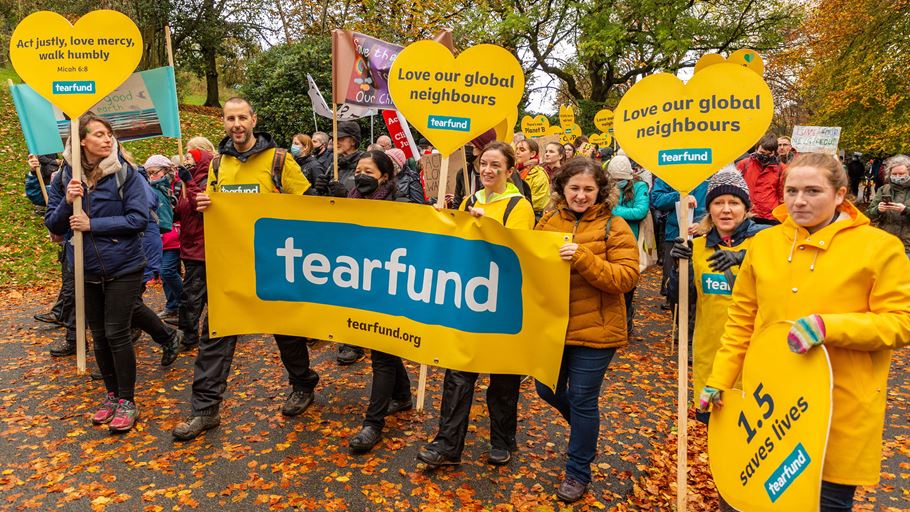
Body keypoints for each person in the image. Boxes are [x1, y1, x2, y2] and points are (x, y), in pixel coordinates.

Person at [700, 153, 910, 511]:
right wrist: (719, 379)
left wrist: (829, 327)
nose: (799, 201)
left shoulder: (879, 248)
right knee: (744, 501)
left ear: (840, 194)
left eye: (813, 190)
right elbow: (741, 320)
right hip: (767, 409)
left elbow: (900, 322)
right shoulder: (764, 244)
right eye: (791, 190)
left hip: (839, 411)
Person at [172, 97, 320, 441]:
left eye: (242, 117)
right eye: (229, 118)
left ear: (253, 119)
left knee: (286, 332)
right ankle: (205, 411)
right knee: (216, 335)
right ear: (224, 123)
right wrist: (205, 204)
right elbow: (212, 206)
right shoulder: (217, 166)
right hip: (232, 266)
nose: (236, 124)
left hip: (274, 264)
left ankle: (302, 384)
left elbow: (309, 206)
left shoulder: (279, 160)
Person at [418, 141, 535, 468]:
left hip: (504, 303)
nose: (487, 170)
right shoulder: (470, 199)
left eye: (496, 165)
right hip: (469, 298)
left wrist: (489, 228)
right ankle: (447, 444)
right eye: (484, 163)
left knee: (502, 379)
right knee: (458, 373)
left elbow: (519, 254)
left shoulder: (519, 206)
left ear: (509, 170)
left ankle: (502, 439)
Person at [534, 157, 639, 502]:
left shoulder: (615, 226)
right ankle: (585, 429)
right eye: (575, 188)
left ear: (601, 191)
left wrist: (583, 257)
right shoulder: (547, 220)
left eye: (588, 189)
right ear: (562, 188)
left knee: (582, 398)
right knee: (546, 391)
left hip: (597, 329)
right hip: (554, 327)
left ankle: (577, 471)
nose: (581, 195)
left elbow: (626, 279)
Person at [45, 114, 148, 432]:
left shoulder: (125, 174)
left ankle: (128, 401)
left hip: (124, 266)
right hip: (84, 268)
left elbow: (138, 219)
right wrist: (68, 201)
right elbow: (54, 224)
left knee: (117, 332)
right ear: (82, 142)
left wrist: (94, 225)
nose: (107, 139)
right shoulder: (64, 176)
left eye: (109, 134)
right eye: (99, 135)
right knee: (100, 336)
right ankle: (112, 395)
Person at [345, 150, 414, 453]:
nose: (361, 176)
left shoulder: (399, 206)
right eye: (358, 170)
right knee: (379, 347)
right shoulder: (347, 201)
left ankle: (373, 424)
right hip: (359, 283)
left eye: (369, 172)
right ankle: (402, 395)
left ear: (385, 176)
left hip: (389, 286)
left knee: (382, 353)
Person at [174, 144, 214, 352]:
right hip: (189, 246)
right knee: (204, 295)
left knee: (191, 295)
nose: (186, 160)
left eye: (190, 157)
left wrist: (188, 182)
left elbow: (201, 208)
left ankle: (188, 336)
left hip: (202, 248)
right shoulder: (187, 183)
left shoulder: (207, 181)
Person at [651, 176, 710, 311]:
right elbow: (657, 199)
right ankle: (675, 309)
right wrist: (680, 196)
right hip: (675, 234)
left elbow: (718, 203)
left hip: (704, 235)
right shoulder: (671, 169)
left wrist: (705, 225)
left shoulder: (710, 170)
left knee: (698, 278)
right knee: (673, 275)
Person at [606, 151, 649, 335]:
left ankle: (626, 322)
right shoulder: (607, 186)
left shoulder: (640, 187)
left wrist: (613, 209)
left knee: (628, 284)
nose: (617, 183)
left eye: (620, 179)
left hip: (631, 239)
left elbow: (640, 211)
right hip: (608, 238)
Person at [144, 155, 182, 321]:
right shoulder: (148, 188)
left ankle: (187, 303)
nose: (151, 176)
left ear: (165, 170)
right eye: (148, 173)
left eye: (154, 172)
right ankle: (173, 306)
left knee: (168, 271)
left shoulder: (178, 186)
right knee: (164, 272)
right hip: (160, 237)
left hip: (175, 235)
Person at [867, 154, 910, 257]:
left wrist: (906, 210)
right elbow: (868, 215)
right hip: (885, 244)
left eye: (901, 173)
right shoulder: (884, 189)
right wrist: (878, 210)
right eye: (894, 173)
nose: (897, 176)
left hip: (907, 247)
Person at [736, 134, 784, 225]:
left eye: (769, 154)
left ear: (774, 153)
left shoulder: (781, 168)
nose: (765, 156)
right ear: (756, 149)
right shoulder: (744, 164)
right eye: (762, 152)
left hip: (770, 215)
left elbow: (782, 193)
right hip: (748, 213)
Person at [514, 139, 552, 217]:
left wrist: (514, 205)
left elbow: (539, 202)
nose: (517, 152)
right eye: (516, 149)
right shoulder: (512, 171)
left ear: (532, 154)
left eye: (522, 150)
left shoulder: (539, 174)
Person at [334, 121, 365, 194]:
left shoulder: (365, 162)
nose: (336, 142)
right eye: (335, 138)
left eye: (341, 138)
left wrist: (346, 194)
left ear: (353, 141)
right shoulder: (334, 163)